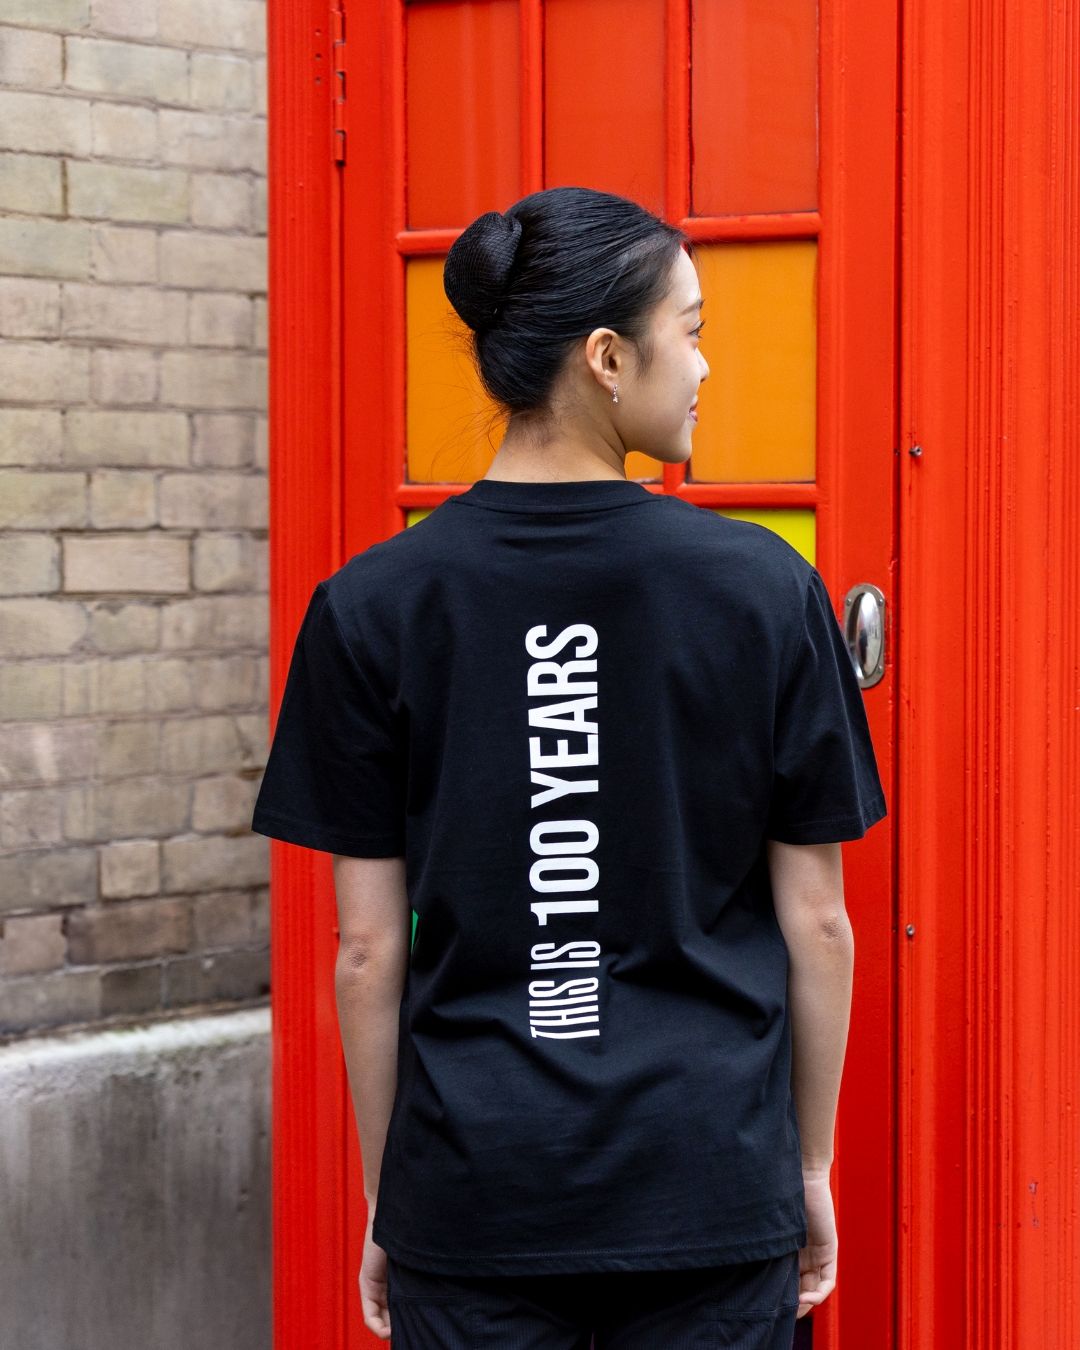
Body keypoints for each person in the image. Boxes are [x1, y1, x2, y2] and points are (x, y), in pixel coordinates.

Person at [253, 186, 886, 1349]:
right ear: (606, 357)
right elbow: (820, 925)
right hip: (708, 1182)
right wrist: (807, 1168)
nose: (705, 366)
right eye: (691, 331)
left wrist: (393, 1195)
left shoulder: (371, 606)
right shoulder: (763, 588)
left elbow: (366, 950)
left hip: (475, 1189)